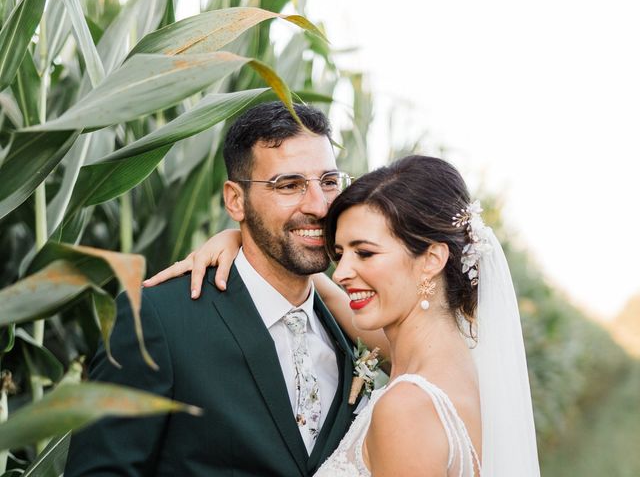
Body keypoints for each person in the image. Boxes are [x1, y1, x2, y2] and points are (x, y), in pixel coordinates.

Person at [151, 156, 541, 476]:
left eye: (365, 253)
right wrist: (243, 241)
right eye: (340, 253)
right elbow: (334, 294)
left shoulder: (405, 409)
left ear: (432, 259)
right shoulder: (457, 356)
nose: (340, 272)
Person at [64, 101, 364, 477]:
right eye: (289, 185)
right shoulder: (158, 319)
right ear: (235, 199)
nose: (320, 206)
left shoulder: (356, 325)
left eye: (329, 182)